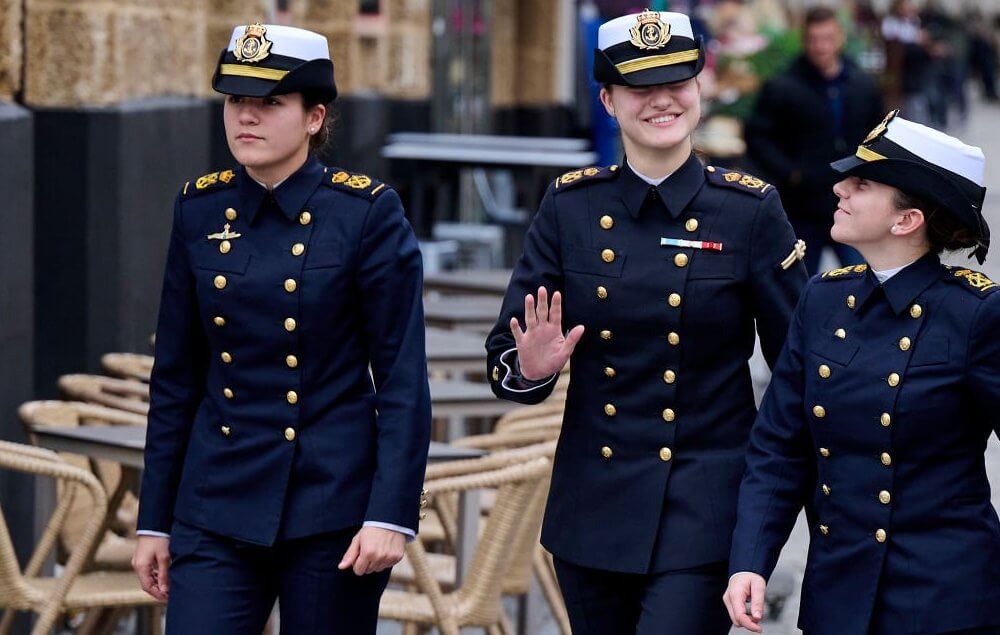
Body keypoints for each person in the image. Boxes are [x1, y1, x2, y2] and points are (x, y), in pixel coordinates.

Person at [485, 10, 807, 634]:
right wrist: (529, 368)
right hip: (594, 509)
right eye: (639, 87)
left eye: (677, 82)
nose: (662, 100)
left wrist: (783, 499)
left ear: (700, 89)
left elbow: (796, 367)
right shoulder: (570, 207)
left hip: (704, 506)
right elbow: (507, 355)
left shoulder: (750, 211)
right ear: (608, 100)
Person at [130, 23, 431, 634]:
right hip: (217, 498)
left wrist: (391, 514)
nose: (248, 117)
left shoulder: (366, 214)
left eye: (270, 103)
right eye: (238, 101)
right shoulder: (198, 209)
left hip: (332, 506)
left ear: (315, 117)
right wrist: (154, 520)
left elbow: (402, 379)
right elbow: (177, 379)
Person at [724, 110, 999, 634]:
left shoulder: (976, 314)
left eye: (863, 182)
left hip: (946, 600)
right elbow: (780, 446)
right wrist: (749, 561)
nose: (840, 188)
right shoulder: (822, 301)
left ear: (906, 220)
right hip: (839, 595)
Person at [745, 6, 884, 275]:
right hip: (803, 207)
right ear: (804, 40)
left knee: (864, 281)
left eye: (828, 38)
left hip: (854, 206)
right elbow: (757, 135)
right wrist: (790, 173)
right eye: (814, 39)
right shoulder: (783, 86)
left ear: (841, 37)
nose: (821, 47)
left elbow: (879, 131)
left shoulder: (861, 83)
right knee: (800, 283)